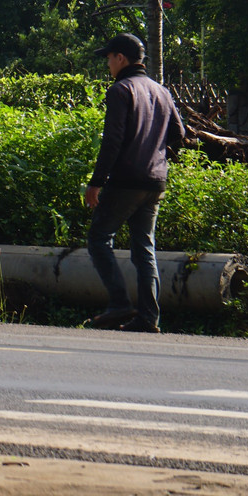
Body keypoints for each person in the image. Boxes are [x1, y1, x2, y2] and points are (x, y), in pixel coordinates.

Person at [85, 32, 186, 334]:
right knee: (144, 248)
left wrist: (96, 182)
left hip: (127, 180)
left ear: (121, 58)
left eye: (109, 58)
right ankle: (147, 318)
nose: (108, 65)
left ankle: (118, 303)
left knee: (98, 239)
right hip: (155, 181)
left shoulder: (121, 90)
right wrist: (158, 158)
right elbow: (179, 135)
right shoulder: (161, 91)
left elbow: (113, 141)